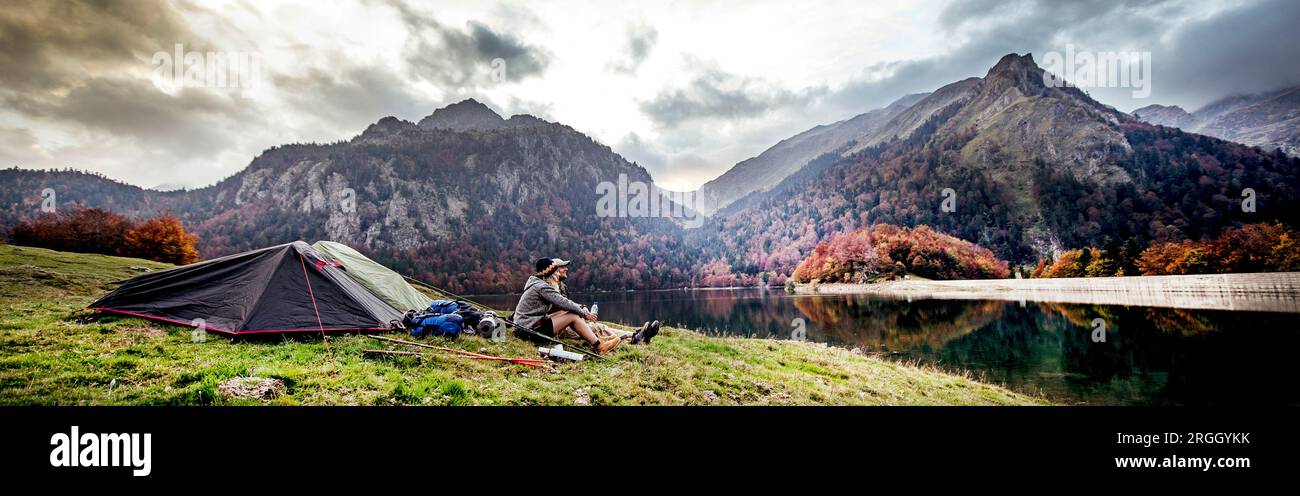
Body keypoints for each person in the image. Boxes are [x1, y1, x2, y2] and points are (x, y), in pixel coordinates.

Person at [513, 258, 660, 354]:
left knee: (577, 316)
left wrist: (580, 310)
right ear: (551, 273)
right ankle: (599, 345)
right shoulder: (543, 287)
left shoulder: (538, 283)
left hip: (528, 326)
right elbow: (563, 303)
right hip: (528, 330)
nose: (559, 274)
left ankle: (633, 336)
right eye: (556, 272)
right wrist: (583, 313)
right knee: (576, 317)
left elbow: (562, 304)